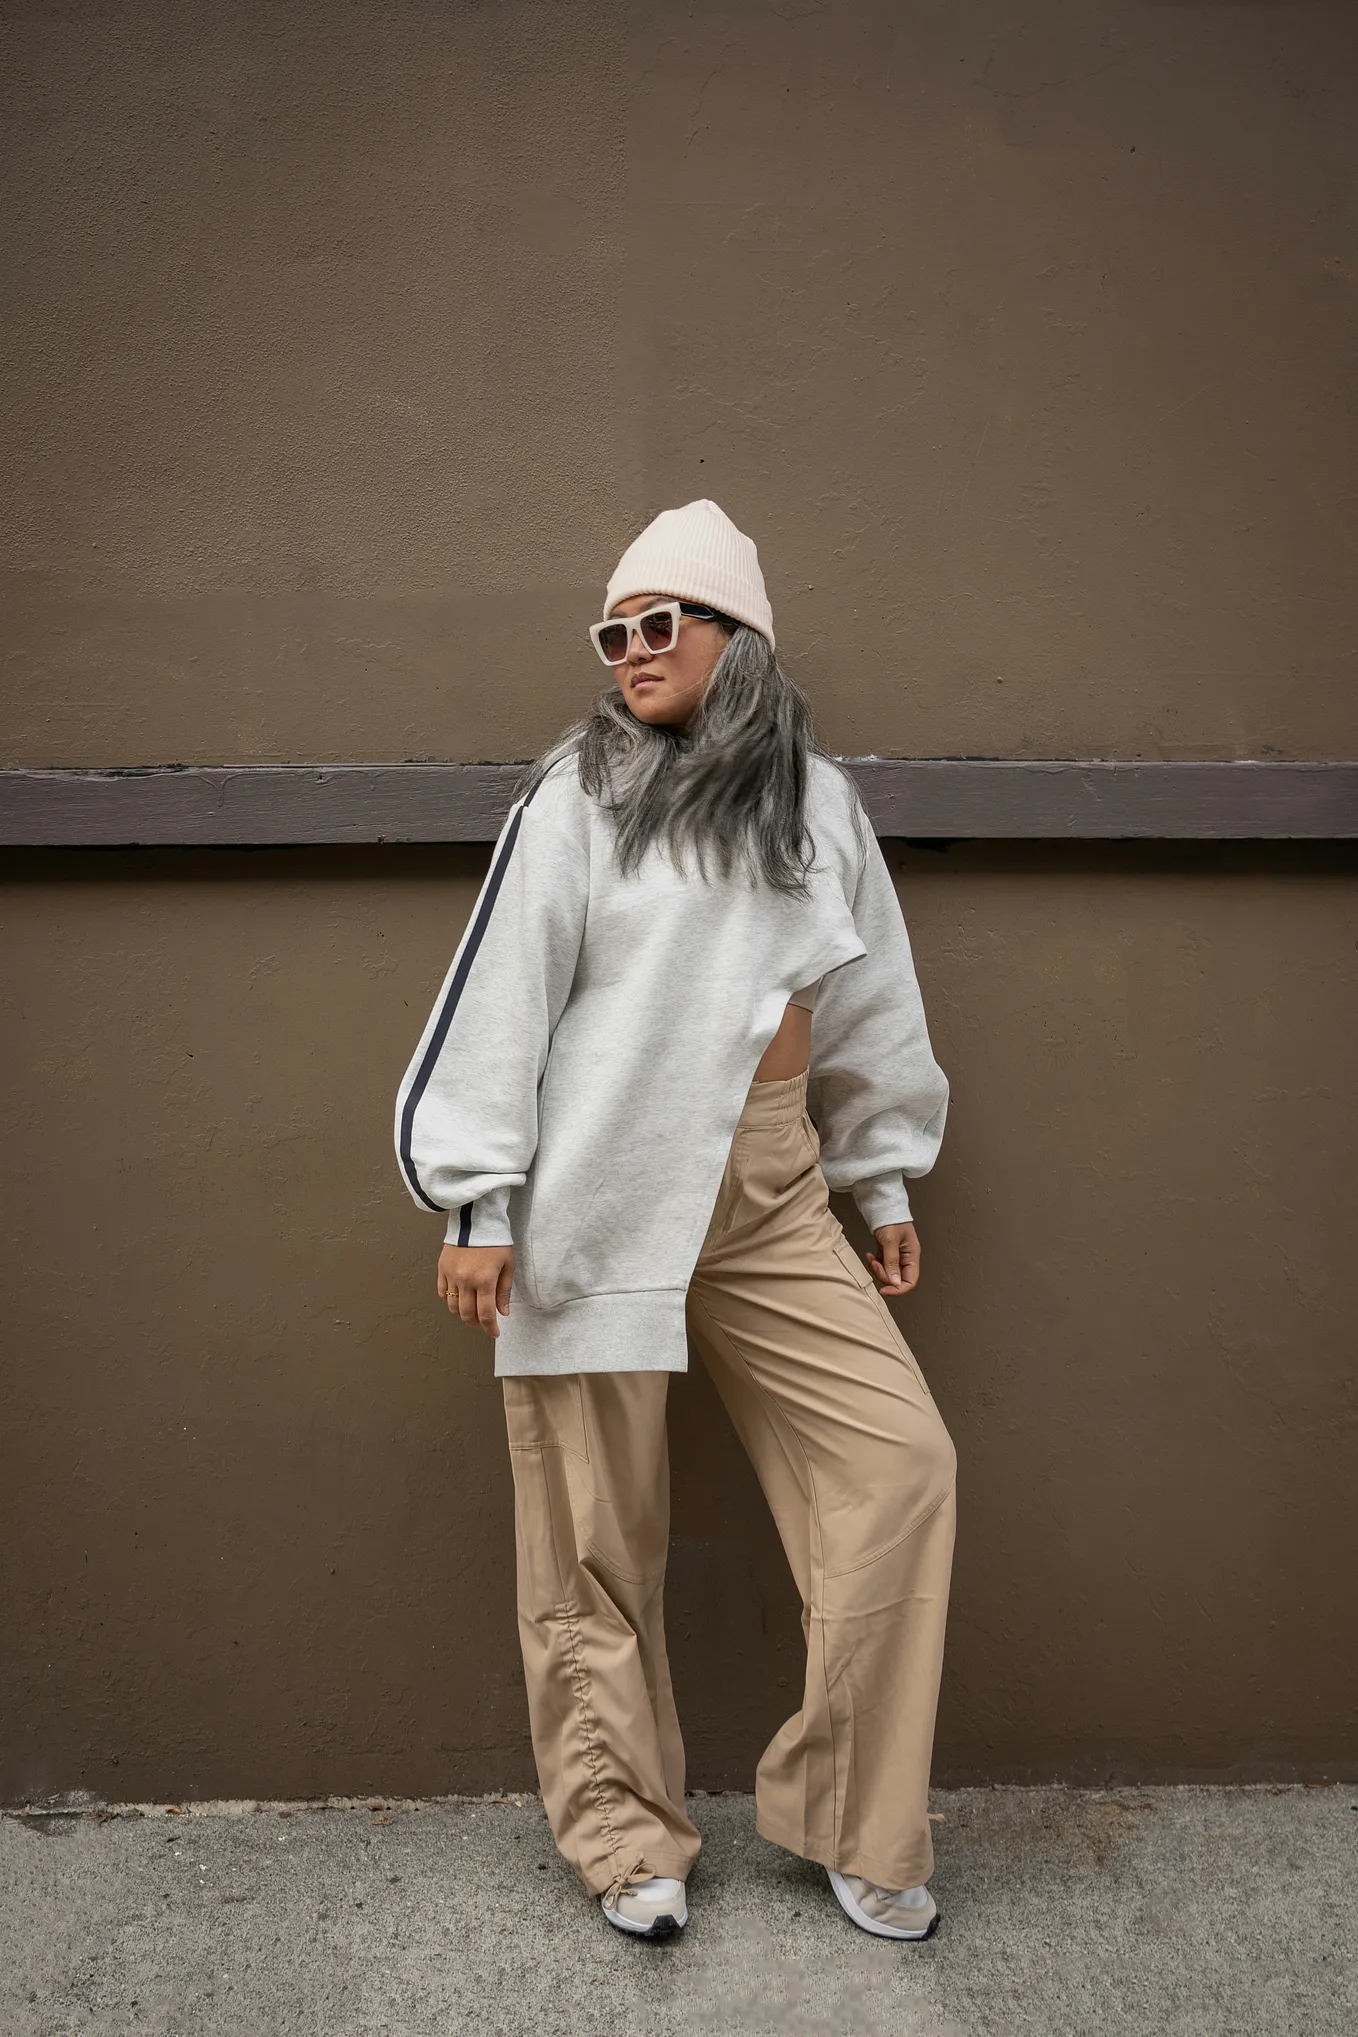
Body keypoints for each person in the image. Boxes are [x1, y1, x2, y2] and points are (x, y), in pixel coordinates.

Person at [395, 501, 956, 1944]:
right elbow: (497, 998)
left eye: (661, 624)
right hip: (601, 1182)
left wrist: (877, 1175)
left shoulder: (815, 804)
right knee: (590, 1538)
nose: (630, 652)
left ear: (738, 640)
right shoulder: (576, 796)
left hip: (770, 1190)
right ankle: (623, 1834)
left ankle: (849, 1812)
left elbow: (867, 991)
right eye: (614, 632)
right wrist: (475, 1198)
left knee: (897, 1470)